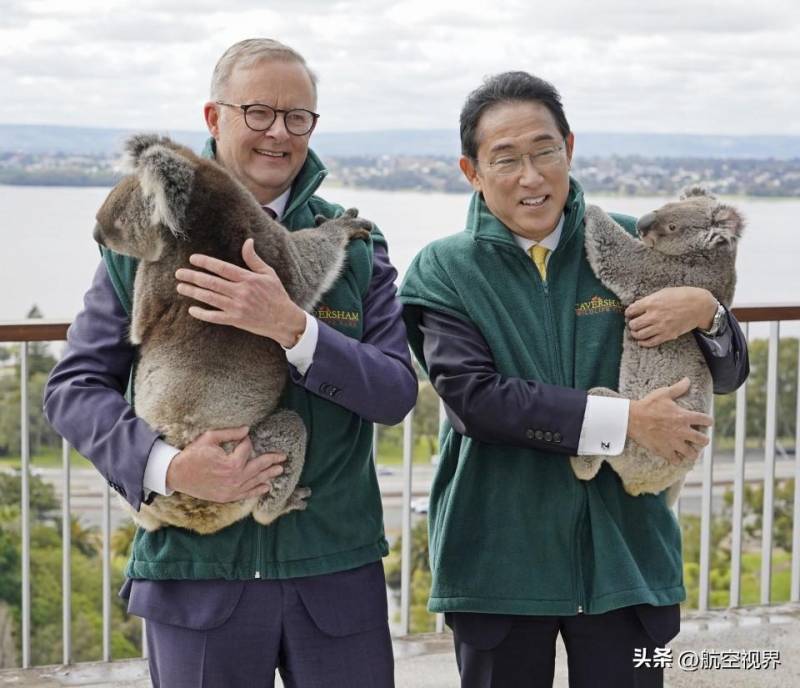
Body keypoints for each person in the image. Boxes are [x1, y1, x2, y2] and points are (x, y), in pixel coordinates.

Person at [44, 38, 417, 688]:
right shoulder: (144, 238)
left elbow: (393, 394)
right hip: (196, 579)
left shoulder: (353, 244)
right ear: (214, 118)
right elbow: (73, 390)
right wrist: (169, 466)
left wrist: (293, 328)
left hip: (331, 572)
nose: (280, 132)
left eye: (297, 116)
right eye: (259, 112)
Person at [399, 71, 749, 688]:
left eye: (545, 152)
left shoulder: (635, 241)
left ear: (570, 148)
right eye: (505, 159)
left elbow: (728, 373)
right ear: (471, 171)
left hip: (628, 556)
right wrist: (630, 422)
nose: (531, 177)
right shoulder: (444, 269)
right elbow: (474, 402)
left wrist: (709, 312)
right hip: (498, 559)